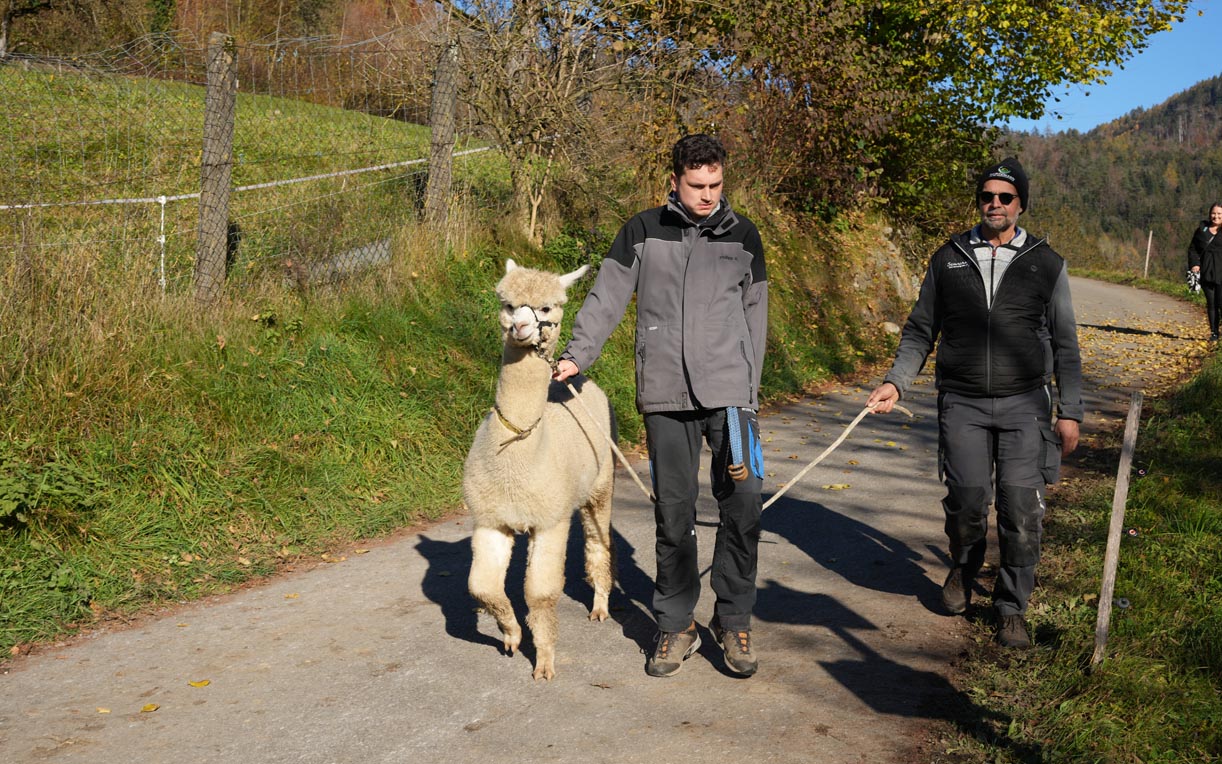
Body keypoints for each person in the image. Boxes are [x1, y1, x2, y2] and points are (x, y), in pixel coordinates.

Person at [553, 133, 768, 677]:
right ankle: (676, 624)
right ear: (673, 181)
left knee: (743, 505)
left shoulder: (744, 235)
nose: (707, 195)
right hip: (666, 394)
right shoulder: (642, 231)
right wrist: (578, 356)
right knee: (674, 516)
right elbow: (606, 297)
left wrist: (750, 394)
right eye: (696, 185)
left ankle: (734, 617)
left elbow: (755, 316)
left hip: (731, 395)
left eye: (716, 185)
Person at [866, 157, 1083, 649]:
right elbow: (922, 329)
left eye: (1005, 197)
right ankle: (963, 567)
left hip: (1025, 403)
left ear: (1021, 203)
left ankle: (1011, 607)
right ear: (979, 202)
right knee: (966, 502)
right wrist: (896, 382)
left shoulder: (1046, 263)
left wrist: (1070, 411)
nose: (995, 204)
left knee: (1021, 509)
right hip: (961, 402)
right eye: (987, 196)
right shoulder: (948, 257)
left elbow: (1066, 345)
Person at [1187, 202, 1222, 341]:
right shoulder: (1202, 230)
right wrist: (1194, 264)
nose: (1216, 216)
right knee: (1211, 304)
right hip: (1207, 273)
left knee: (1221, 303)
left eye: (1219, 214)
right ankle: (1214, 332)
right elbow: (1193, 249)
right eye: (1214, 213)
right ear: (1209, 214)